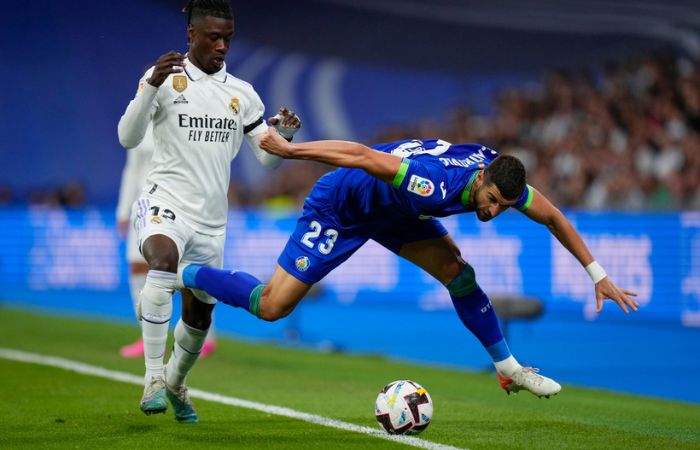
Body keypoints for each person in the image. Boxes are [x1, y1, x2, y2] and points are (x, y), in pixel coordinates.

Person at [177, 130, 639, 398]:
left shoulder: (502, 179)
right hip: (344, 205)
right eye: (491, 201)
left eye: (504, 207)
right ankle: (192, 272)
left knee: (460, 273)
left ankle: (508, 367)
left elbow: (555, 217)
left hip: (398, 215)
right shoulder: (433, 184)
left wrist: (598, 276)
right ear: (481, 180)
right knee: (272, 306)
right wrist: (290, 150)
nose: (492, 212)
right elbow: (359, 155)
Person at [117, 0, 301, 423]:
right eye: (214, 37)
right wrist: (148, 87)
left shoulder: (243, 95)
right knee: (161, 263)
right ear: (191, 35)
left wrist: (285, 137)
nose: (222, 46)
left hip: (212, 222)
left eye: (227, 39)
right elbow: (128, 137)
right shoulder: (163, 78)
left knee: (199, 316)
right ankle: (152, 380)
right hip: (165, 201)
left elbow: (268, 160)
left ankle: (178, 383)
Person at [116, 123, 217, 359]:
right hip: (143, 205)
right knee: (138, 265)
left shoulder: (185, 119)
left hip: (179, 205)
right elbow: (131, 169)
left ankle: (204, 335)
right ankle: (148, 335)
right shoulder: (141, 119)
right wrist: (123, 211)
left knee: (186, 271)